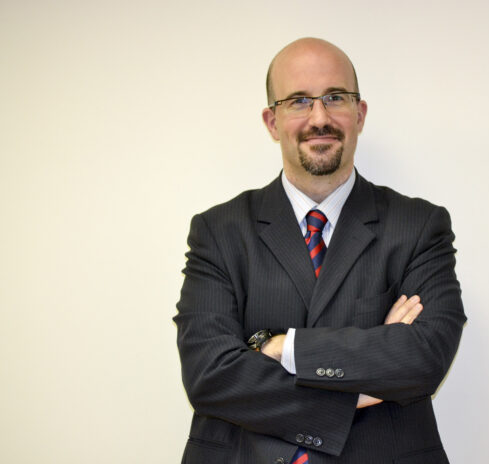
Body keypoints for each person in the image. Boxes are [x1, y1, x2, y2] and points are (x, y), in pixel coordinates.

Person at [174, 37, 466, 464]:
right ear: (272, 121)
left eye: (335, 97)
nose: (319, 118)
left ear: (359, 113)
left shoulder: (419, 226)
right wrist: (358, 388)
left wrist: (283, 348)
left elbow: (424, 357)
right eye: (298, 101)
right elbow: (209, 375)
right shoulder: (218, 232)